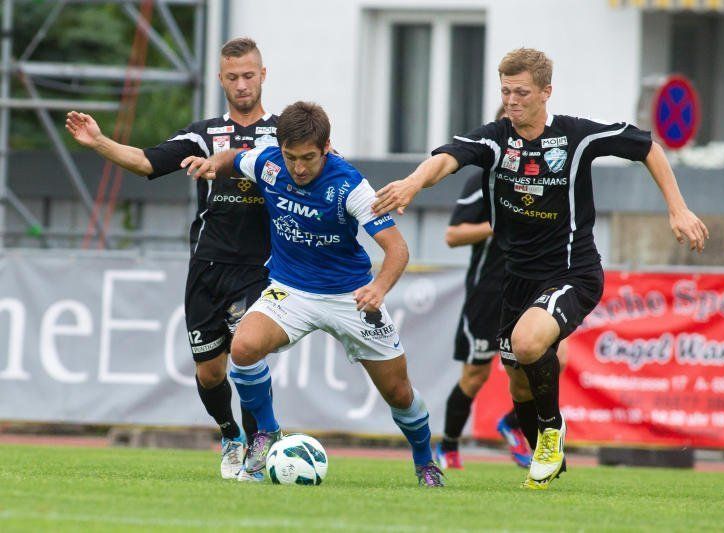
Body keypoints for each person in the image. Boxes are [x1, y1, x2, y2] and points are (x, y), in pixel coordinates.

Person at [373, 48, 708, 490]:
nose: (512, 101)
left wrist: (678, 208)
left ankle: (551, 434)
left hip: (573, 273)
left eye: (522, 93)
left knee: (528, 343)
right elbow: (447, 160)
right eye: (506, 92)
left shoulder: (576, 136)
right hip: (516, 280)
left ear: (546, 92)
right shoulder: (496, 140)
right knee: (518, 384)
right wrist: (413, 181)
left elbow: (648, 147)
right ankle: (545, 454)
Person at [182, 101, 445, 487]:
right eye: (291, 157)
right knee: (244, 348)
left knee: (398, 392)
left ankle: (425, 463)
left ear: (326, 148)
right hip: (291, 290)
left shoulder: (350, 185)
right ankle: (267, 432)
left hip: (349, 296)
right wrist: (212, 164)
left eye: (308, 158)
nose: (299, 168)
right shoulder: (269, 163)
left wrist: (378, 288)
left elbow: (397, 249)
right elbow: (234, 157)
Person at [65, 37, 280, 479]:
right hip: (206, 267)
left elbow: (322, 162)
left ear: (263, 75)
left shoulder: (283, 134)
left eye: (249, 75)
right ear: (221, 79)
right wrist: (99, 141)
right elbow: (146, 162)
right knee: (210, 372)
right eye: (233, 77)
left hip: (259, 268)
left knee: (247, 356)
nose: (242, 85)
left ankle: (260, 446)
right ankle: (230, 435)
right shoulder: (202, 135)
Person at [436, 106, 570, 471]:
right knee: (475, 375)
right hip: (489, 292)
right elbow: (452, 235)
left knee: (554, 359)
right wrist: (501, 223)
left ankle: (513, 424)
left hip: (531, 287)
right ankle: (447, 446)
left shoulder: (546, 176)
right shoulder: (485, 178)